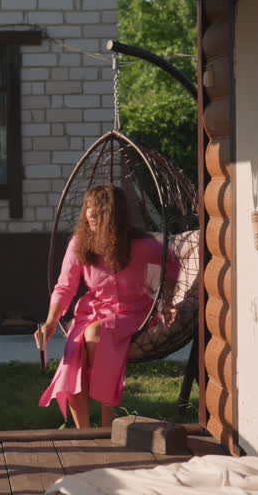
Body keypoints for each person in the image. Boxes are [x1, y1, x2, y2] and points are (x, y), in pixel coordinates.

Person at [37, 183, 177, 428]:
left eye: (98, 208)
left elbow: (172, 264)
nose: (90, 213)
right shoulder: (79, 244)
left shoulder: (142, 246)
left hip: (133, 313)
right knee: (75, 354)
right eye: (88, 206)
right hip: (92, 311)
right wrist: (49, 323)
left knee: (94, 333)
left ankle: (106, 424)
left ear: (114, 215)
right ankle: (84, 433)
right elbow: (64, 287)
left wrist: (166, 300)